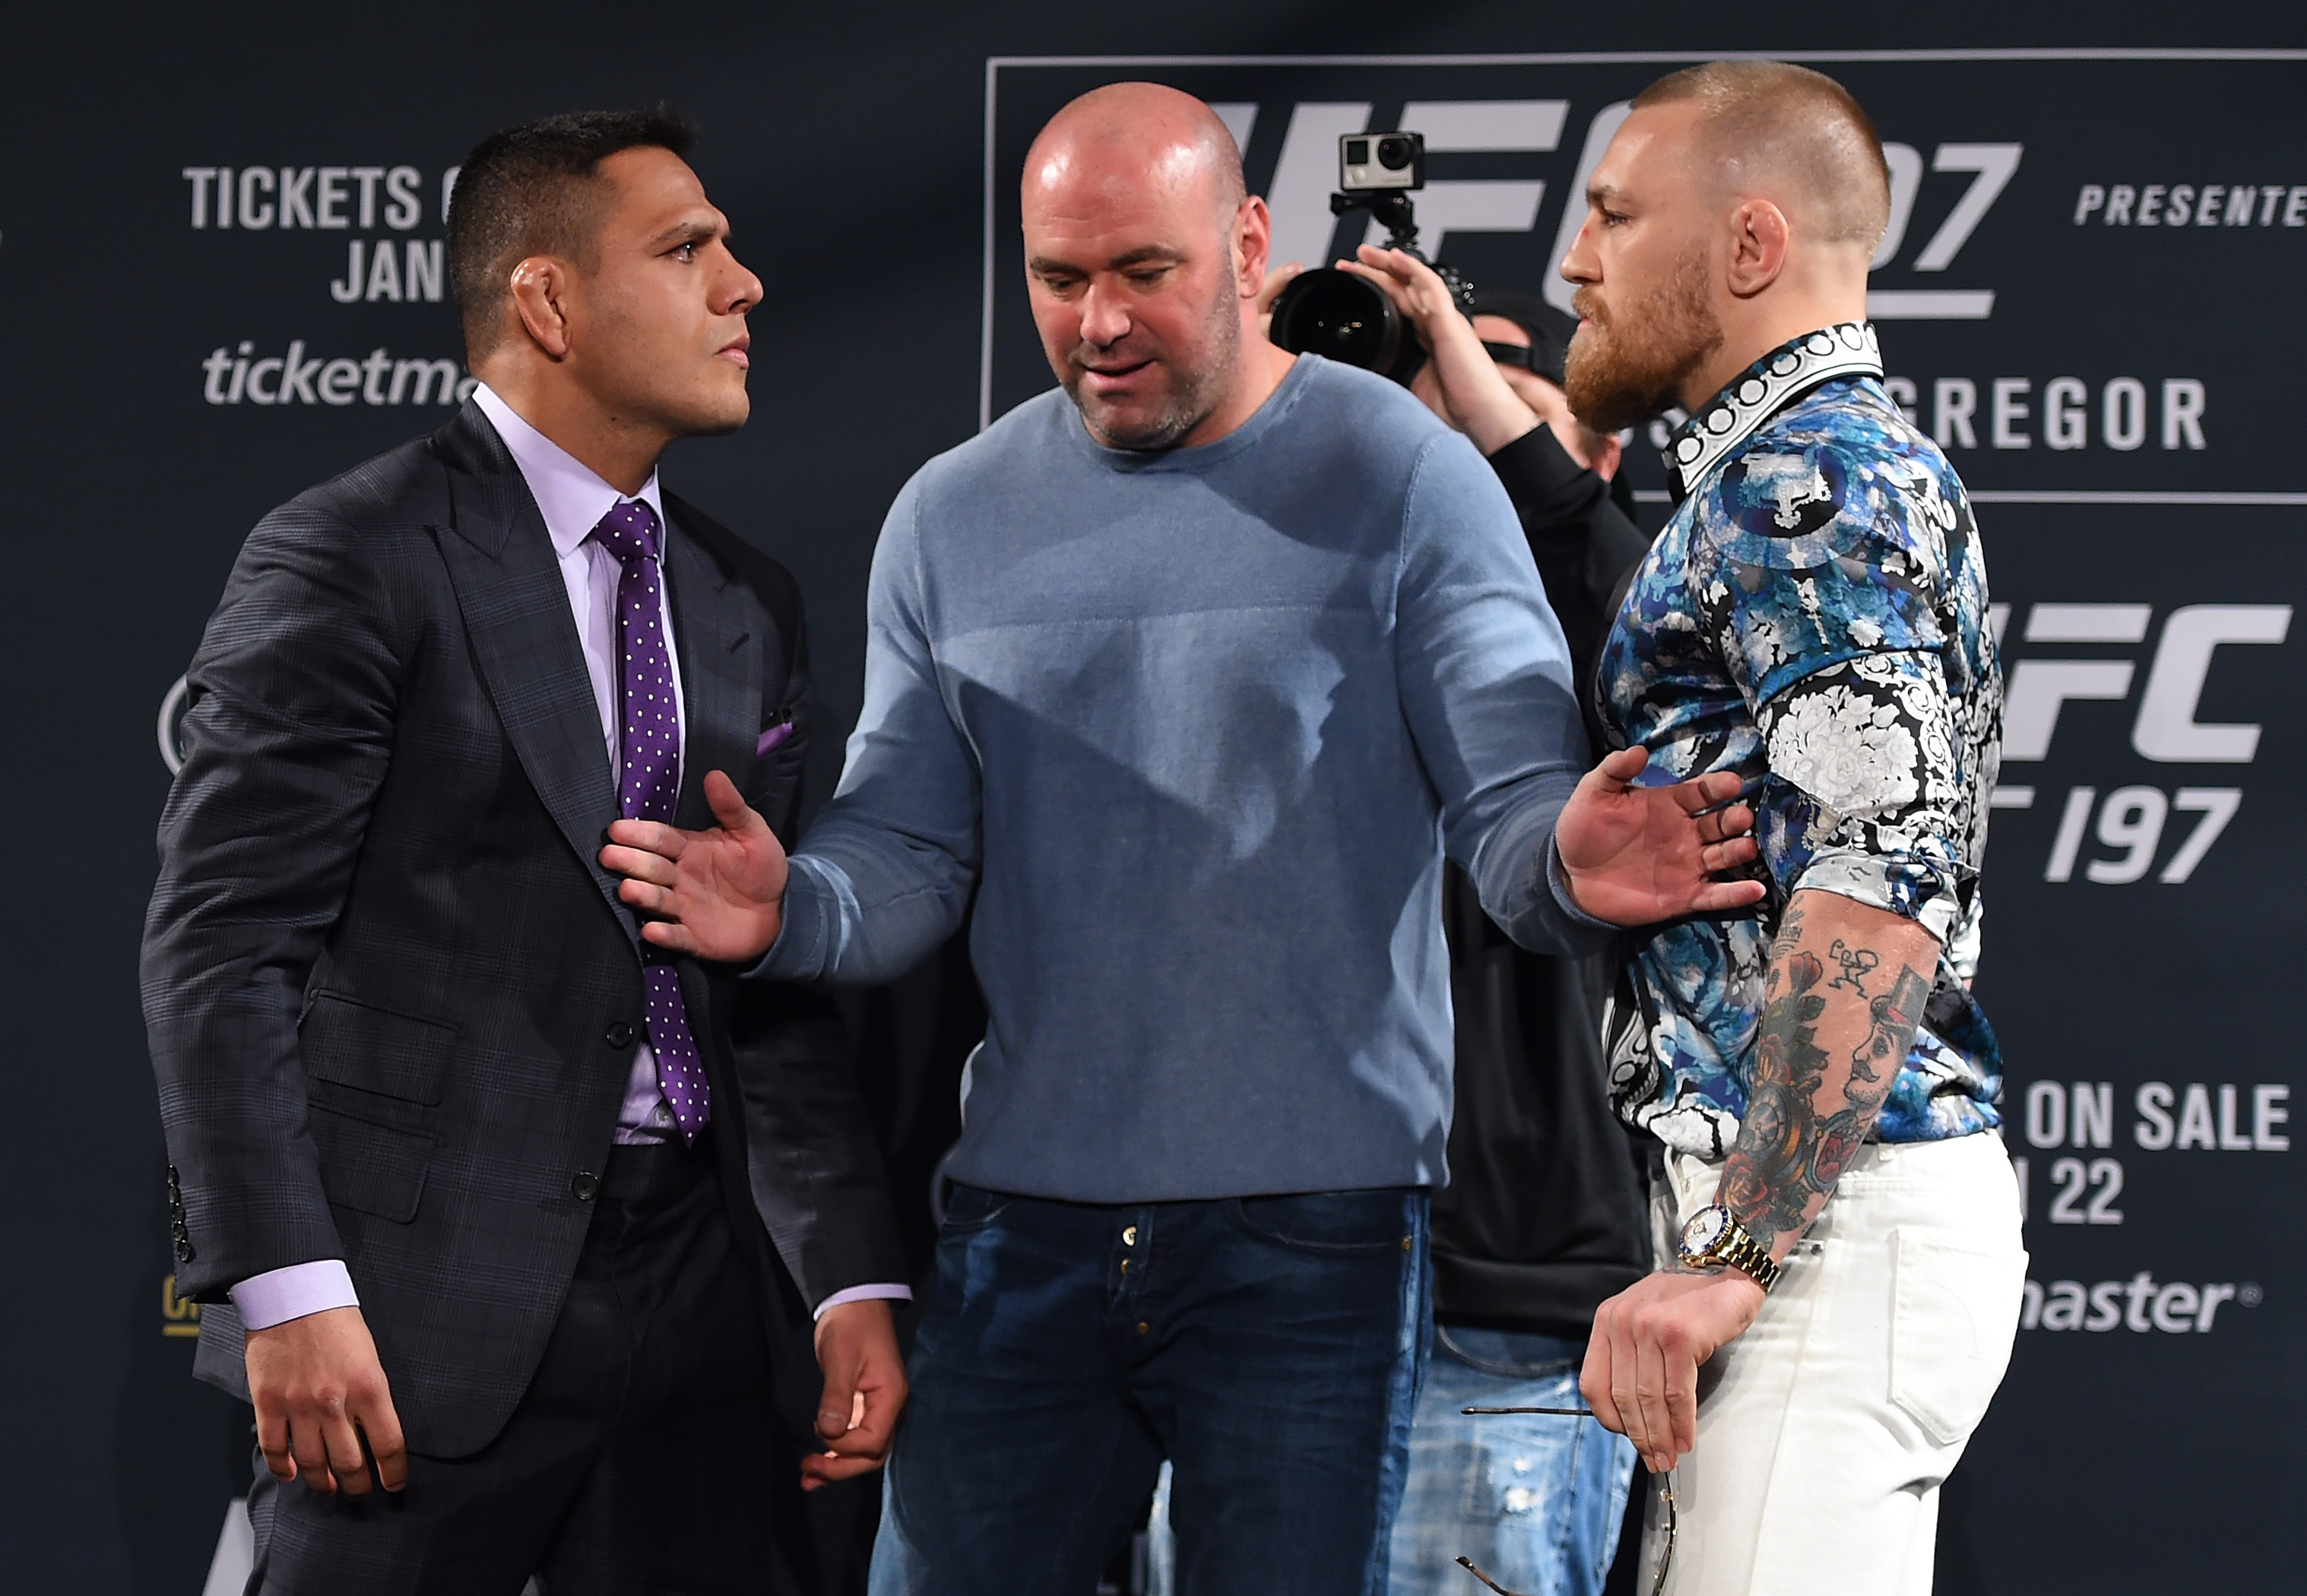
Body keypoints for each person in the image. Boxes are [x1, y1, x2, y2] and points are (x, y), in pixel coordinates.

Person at [599, 83, 1766, 1596]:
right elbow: (904, 853)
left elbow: (1506, 818)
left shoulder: (1409, 482)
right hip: (1021, 1232)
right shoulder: (951, 516)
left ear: (1248, 242)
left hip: (1321, 1245)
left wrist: (1566, 862)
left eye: (1143, 271)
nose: (1098, 320)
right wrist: (792, 910)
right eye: (1059, 277)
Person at [141, 109, 909, 1594]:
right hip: (408, 1326)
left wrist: (846, 1271)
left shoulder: (745, 596)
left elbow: (755, 986)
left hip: (703, 1317)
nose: (744, 286)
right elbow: (223, 955)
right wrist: (287, 1290)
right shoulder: (354, 556)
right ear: (546, 300)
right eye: (688, 250)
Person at [1558, 62, 2023, 1596]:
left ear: (1749, 246)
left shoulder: (1810, 482)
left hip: (1824, 1230)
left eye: (1618, 216)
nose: (1580, 258)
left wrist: (1743, 1252)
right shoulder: (1775, 474)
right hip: (1810, 1219)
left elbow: (1884, 875)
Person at [1321, 254, 1647, 1596]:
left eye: (1496, 383)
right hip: (1274, 1282)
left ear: (1596, 446)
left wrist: (1457, 369)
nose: (1447, 416)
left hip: (1510, 1303)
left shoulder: (1640, 616)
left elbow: (1573, 547)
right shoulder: (1323, 595)